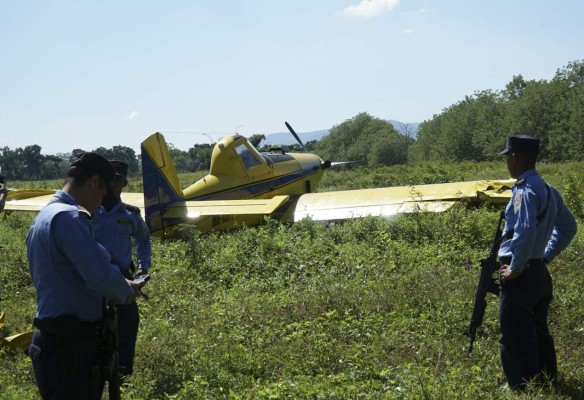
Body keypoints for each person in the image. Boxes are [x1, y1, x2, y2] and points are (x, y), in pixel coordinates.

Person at [25, 152, 146, 400]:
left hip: (54, 340)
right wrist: (127, 290)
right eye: (103, 193)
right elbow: (100, 277)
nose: (102, 203)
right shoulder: (69, 218)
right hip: (70, 347)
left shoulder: (45, 216)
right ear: (93, 182)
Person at [497, 135, 578, 390]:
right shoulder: (548, 189)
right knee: (538, 329)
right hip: (540, 273)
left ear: (515, 158)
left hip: (521, 273)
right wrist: (545, 255)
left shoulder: (523, 190)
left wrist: (516, 267)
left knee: (515, 333)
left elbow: (524, 229)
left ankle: (523, 388)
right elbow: (569, 227)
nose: (508, 162)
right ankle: (547, 379)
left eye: (508, 157)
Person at [92, 160, 151, 379]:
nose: (113, 184)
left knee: (128, 325)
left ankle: (124, 373)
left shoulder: (130, 215)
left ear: (124, 183)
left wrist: (143, 268)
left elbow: (144, 240)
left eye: (118, 180)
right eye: (110, 179)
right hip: (94, 279)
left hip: (123, 279)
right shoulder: (87, 212)